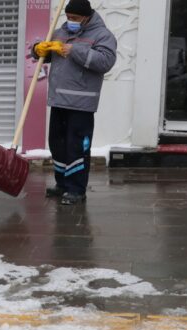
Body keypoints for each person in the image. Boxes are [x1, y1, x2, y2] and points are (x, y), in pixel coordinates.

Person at [32, 0, 117, 205]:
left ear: (87, 17)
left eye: (76, 19)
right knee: (58, 145)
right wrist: (39, 50)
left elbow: (105, 62)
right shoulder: (61, 31)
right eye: (68, 17)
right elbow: (48, 55)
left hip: (81, 104)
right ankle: (62, 184)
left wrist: (73, 50)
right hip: (59, 100)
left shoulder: (102, 35)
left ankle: (77, 189)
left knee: (76, 147)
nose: (71, 21)